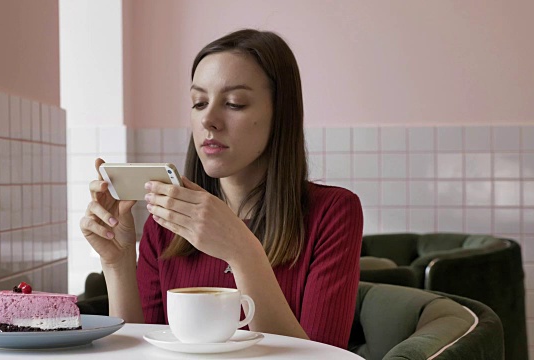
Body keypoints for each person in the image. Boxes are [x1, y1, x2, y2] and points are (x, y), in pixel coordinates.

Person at [80, 29, 363, 349]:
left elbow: (322, 357)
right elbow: (141, 350)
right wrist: (116, 263)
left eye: (234, 103)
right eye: (199, 102)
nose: (208, 120)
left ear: (280, 114)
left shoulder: (334, 212)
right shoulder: (165, 224)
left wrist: (242, 252)